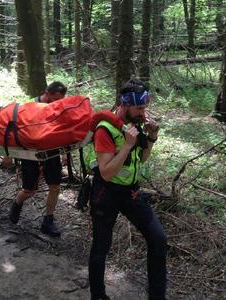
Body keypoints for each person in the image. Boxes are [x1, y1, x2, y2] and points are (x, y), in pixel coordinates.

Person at [88, 79, 167, 300]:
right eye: (139, 108)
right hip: (106, 193)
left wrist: (151, 137)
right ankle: (98, 296)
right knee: (101, 247)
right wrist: (127, 145)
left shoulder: (135, 125)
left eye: (144, 107)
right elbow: (106, 172)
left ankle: (157, 295)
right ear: (124, 104)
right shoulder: (105, 130)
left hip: (131, 192)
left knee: (158, 239)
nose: (144, 112)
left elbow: (141, 159)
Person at [8, 81, 67, 237]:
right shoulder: (28, 107)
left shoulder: (57, 108)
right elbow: (14, 132)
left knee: (55, 187)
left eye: (61, 100)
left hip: (51, 152)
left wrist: (64, 153)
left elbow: (61, 132)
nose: (58, 103)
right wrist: (9, 154)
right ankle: (17, 203)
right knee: (29, 190)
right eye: (56, 99)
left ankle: (48, 221)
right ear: (47, 93)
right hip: (30, 153)